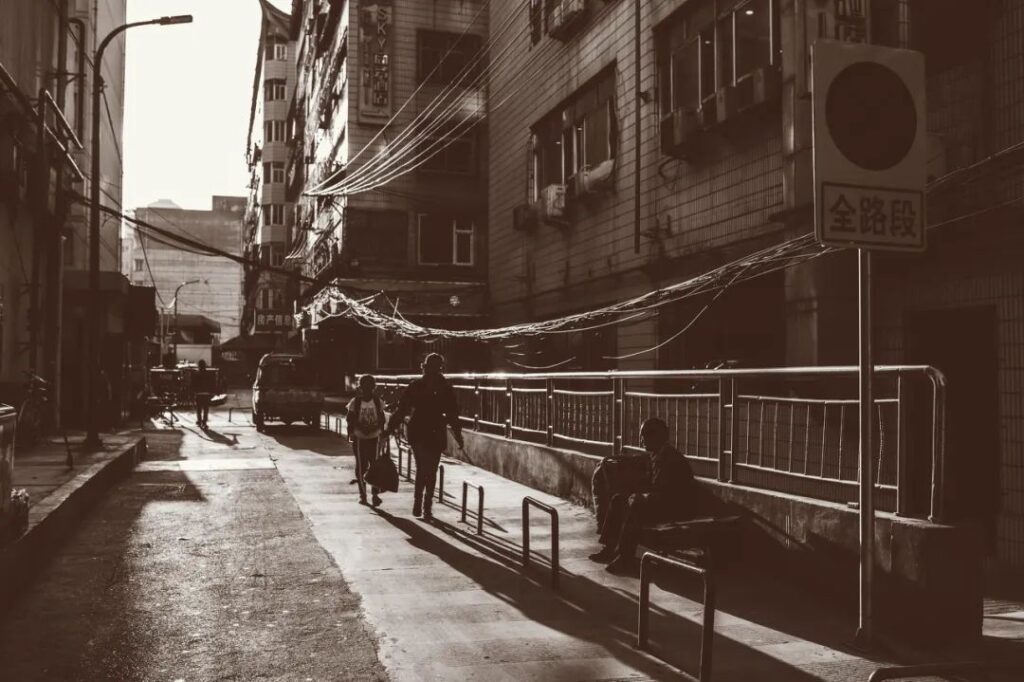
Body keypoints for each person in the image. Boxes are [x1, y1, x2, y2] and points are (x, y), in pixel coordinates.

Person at [589, 417, 699, 573]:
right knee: (619, 499)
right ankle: (609, 548)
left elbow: (667, 493)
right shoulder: (656, 455)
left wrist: (641, 497)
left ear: (659, 436)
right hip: (663, 502)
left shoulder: (671, 459)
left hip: (676, 508)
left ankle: (625, 557)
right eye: (642, 436)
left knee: (636, 507)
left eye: (646, 435)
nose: (642, 440)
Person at [385, 353, 464, 520]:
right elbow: (452, 414)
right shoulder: (444, 387)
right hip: (434, 430)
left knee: (422, 467)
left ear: (424, 367)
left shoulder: (417, 385)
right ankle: (426, 505)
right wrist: (458, 434)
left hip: (419, 429)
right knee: (431, 469)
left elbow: (402, 409)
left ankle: (419, 502)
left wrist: (390, 428)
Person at [346, 374, 386, 507]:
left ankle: (374, 494)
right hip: (360, 438)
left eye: (370, 386)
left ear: (374, 387)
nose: (367, 389)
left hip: (374, 438)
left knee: (374, 467)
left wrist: (379, 431)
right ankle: (363, 495)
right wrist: (353, 432)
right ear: (360, 387)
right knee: (361, 467)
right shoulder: (355, 402)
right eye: (364, 386)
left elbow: (382, 419)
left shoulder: (378, 401)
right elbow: (350, 419)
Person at [194, 360, 213, 428]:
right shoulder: (209, 374)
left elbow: (193, 385)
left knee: (199, 409)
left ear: (199, 366)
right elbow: (211, 384)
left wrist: (193, 392)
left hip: (198, 393)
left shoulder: (196, 374)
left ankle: (199, 421)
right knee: (206, 409)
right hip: (206, 393)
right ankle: (204, 422)